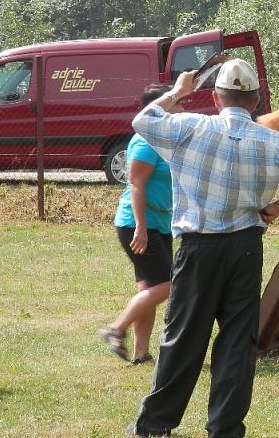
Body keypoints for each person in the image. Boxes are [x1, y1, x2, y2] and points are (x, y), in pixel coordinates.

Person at [127, 59, 279, 438]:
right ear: (254, 101)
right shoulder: (274, 140)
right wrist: (275, 209)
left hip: (198, 247)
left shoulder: (190, 127)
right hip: (246, 247)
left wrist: (178, 92)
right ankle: (225, 429)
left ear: (217, 99)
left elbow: (143, 122)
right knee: (238, 341)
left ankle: (155, 425)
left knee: (184, 335)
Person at [99, 84, 178, 365]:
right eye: (176, 102)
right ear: (159, 108)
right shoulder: (146, 141)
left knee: (150, 288)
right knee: (169, 285)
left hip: (158, 223)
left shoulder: (164, 139)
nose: (180, 107)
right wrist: (141, 228)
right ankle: (115, 329)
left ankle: (141, 354)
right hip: (138, 224)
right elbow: (136, 184)